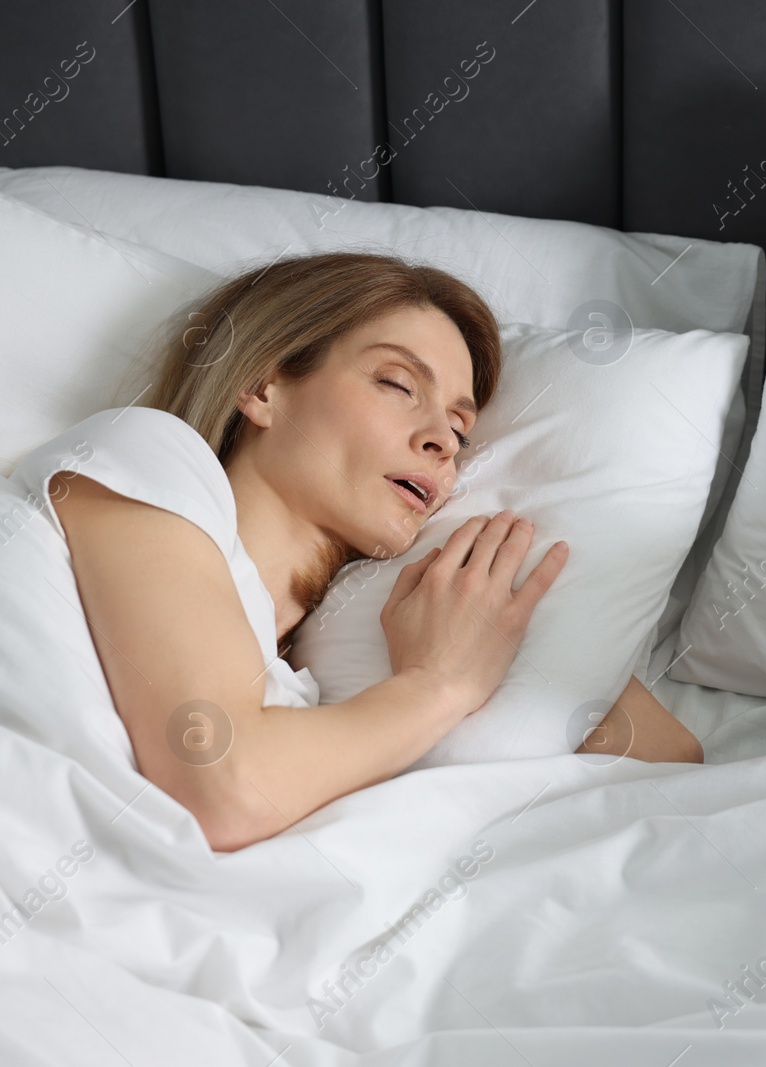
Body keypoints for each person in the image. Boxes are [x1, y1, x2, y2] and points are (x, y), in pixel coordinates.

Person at [23, 251, 701, 853]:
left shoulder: (309, 678)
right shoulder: (143, 457)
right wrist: (439, 686)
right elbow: (225, 786)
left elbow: (672, 766)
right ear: (263, 387)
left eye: (461, 429)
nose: (442, 439)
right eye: (398, 385)